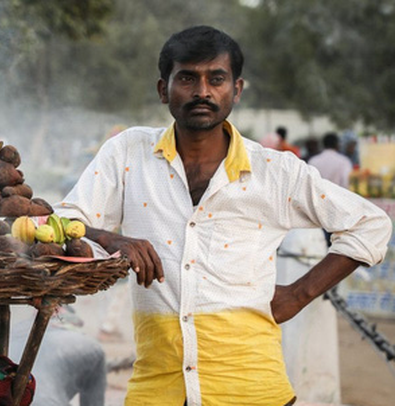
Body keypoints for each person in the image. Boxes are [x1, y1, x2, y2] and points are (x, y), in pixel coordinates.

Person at [53, 25, 391, 406]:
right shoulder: (128, 153)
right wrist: (111, 239)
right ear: (163, 89)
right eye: (187, 78)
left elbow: (370, 224)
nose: (202, 92)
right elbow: (61, 223)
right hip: (157, 389)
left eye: (216, 79)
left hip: (253, 390)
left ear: (237, 90)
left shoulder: (275, 171)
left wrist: (298, 294)